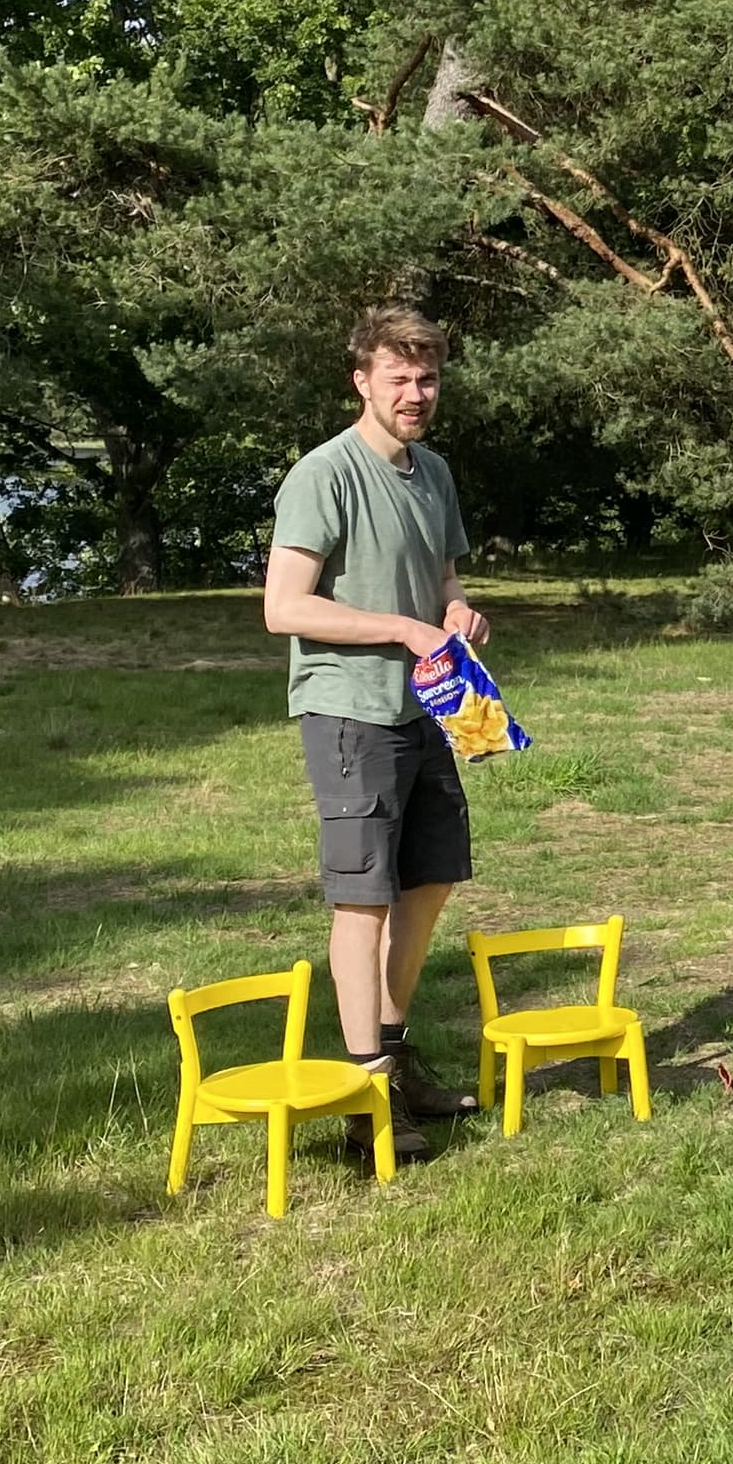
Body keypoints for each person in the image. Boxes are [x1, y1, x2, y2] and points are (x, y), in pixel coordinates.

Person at [264, 304, 489, 1156]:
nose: (415, 393)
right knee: (363, 900)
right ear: (362, 380)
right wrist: (401, 628)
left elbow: (440, 575)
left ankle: (392, 1057)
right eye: (398, 378)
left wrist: (457, 612)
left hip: (427, 705)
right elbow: (283, 606)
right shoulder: (323, 475)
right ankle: (366, 1098)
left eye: (427, 377)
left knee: (429, 881)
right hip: (350, 711)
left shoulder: (431, 471)